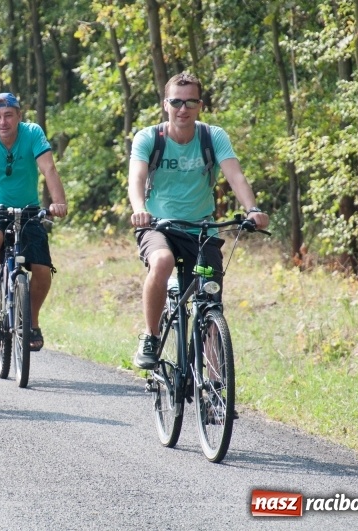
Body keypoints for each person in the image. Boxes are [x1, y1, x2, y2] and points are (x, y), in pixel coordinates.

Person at [128, 72, 270, 369]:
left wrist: (252, 209)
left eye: (190, 102)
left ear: (200, 105)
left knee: (210, 304)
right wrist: (140, 208)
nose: (183, 108)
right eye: (176, 102)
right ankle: (151, 335)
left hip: (201, 228)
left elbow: (235, 175)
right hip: (158, 226)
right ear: (165, 103)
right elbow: (137, 178)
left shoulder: (212, 136)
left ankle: (215, 391)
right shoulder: (149, 137)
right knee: (163, 261)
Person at [0, 92, 67, 352]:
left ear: (19, 116)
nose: (3, 122)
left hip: (28, 210)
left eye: (9, 115)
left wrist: (59, 202)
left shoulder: (32, 133)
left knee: (41, 268)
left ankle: (31, 321)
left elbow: (49, 169)